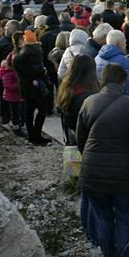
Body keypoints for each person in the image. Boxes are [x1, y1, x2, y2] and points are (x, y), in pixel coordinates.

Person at [77, 63, 129, 257]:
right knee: (124, 219)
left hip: (93, 173)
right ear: (123, 81)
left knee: (104, 218)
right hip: (124, 173)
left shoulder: (88, 102)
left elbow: (81, 140)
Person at [56, 54, 99, 241]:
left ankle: (88, 231)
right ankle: (92, 234)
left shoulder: (67, 89)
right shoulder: (87, 97)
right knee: (92, 196)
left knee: (85, 193)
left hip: (73, 144)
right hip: (88, 148)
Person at [13, 30, 51, 145]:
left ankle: (32, 135)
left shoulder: (20, 55)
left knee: (29, 111)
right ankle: (37, 135)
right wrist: (42, 72)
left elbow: (21, 69)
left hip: (25, 86)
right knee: (42, 110)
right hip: (36, 86)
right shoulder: (35, 53)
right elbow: (37, 70)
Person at [95, 30, 129, 98]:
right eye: (125, 42)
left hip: (100, 97)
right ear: (119, 44)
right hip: (120, 99)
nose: (126, 45)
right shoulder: (125, 61)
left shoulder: (97, 58)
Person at [0, 32, 24, 133]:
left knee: (18, 111)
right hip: (12, 94)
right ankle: (15, 126)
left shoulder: (14, 55)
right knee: (14, 111)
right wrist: (19, 85)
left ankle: (17, 124)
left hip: (16, 93)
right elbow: (7, 85)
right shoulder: (8, 72)